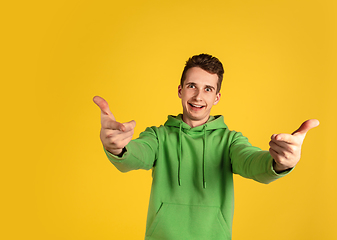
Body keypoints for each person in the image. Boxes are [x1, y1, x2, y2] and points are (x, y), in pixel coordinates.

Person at [93, 54, 319, 240]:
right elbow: (136, 154)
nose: (198, 96)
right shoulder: (158, 136)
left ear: (217, 97)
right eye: (192, 86)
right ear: (180, 90)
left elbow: (252, 162)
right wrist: (117, 147)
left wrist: (279, 163)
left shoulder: (230, 141)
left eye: (208, 89)